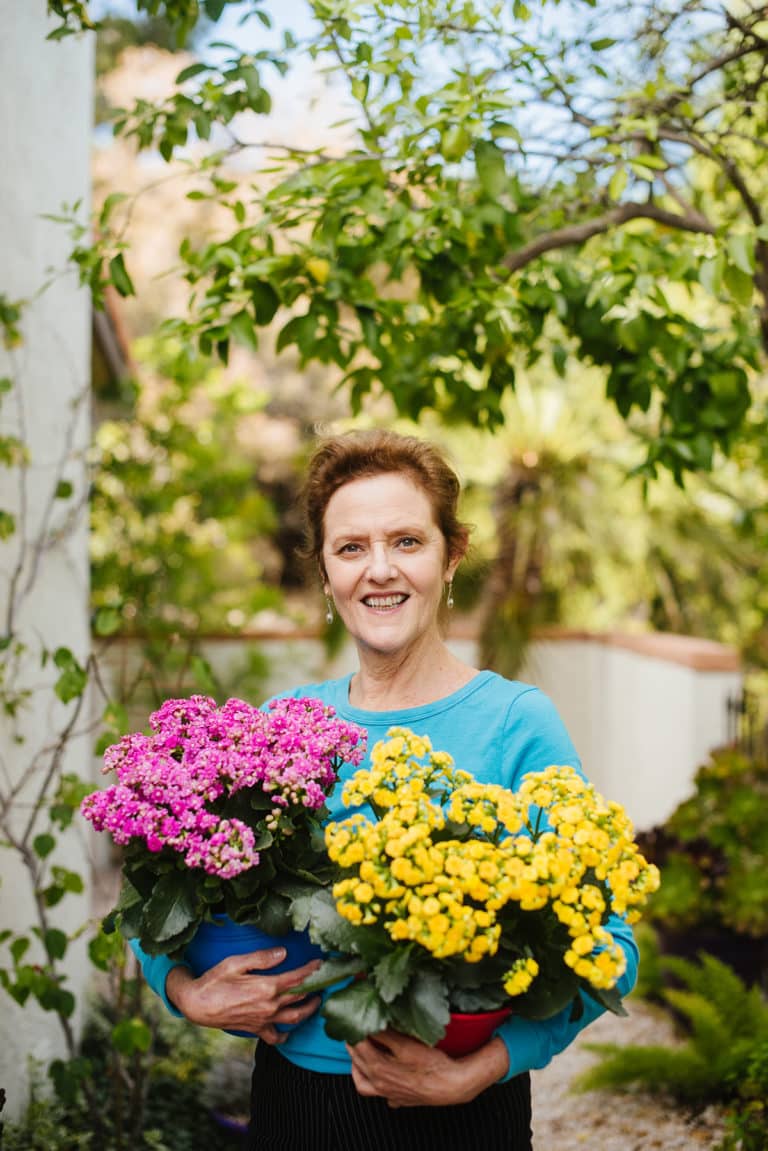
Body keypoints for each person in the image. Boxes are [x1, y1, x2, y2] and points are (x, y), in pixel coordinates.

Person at [132, 428, 638, 1151]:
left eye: (406, 541)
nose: (379, 570)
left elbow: (610, 944)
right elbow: (159, 880)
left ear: (451, 554)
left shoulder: (515, 722)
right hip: (296, 1105)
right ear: (325, 571)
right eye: (350, 547)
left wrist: (486, 1067)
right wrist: (185, 991)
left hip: (464, 1109)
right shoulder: (284, 728)